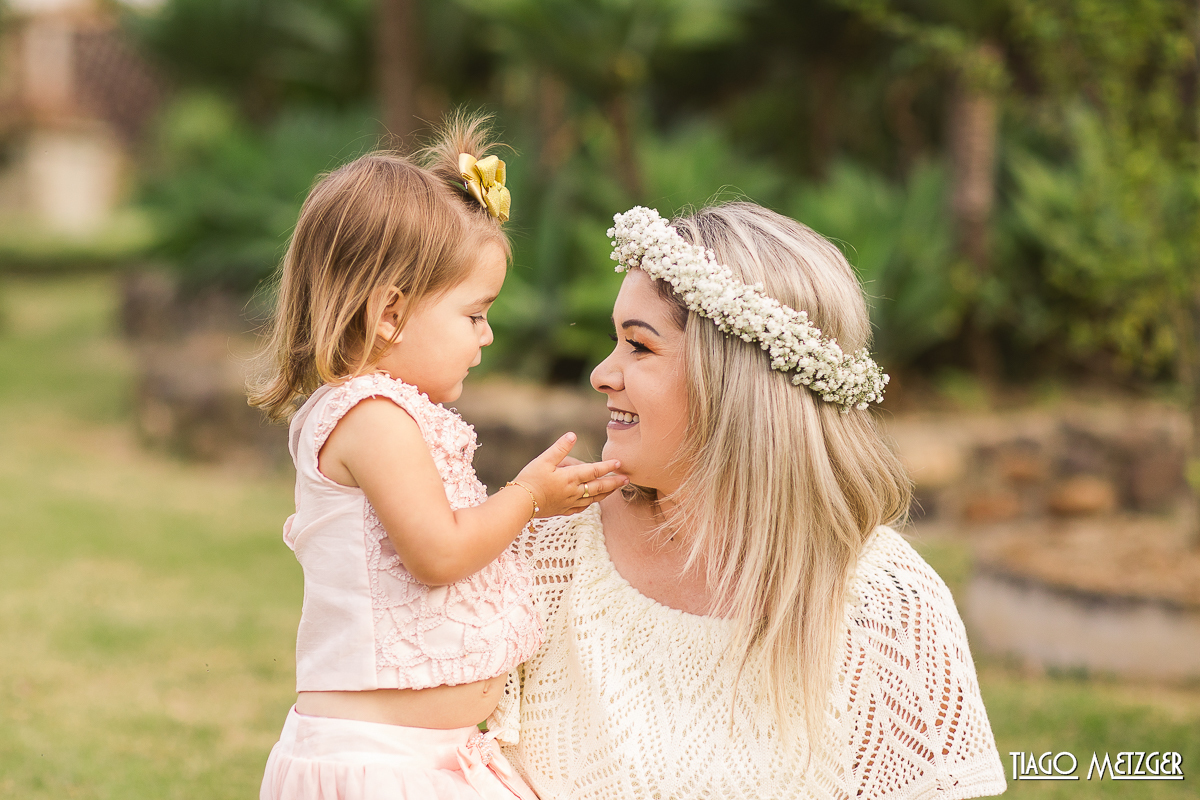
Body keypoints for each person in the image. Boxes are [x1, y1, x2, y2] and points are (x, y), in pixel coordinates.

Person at [491, 203, 1008, 799]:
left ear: (732, 380)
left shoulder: (889, 605)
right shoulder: (548, 547)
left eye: (639, 346)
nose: (602, 374)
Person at [248, 115, 627, 800]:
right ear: (390, 312)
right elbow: (437, 553)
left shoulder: (394, 416)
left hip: (430, 760)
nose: (485, 337)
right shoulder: (371, 419)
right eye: (475, 314)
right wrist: (528, 497)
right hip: (378, 768)